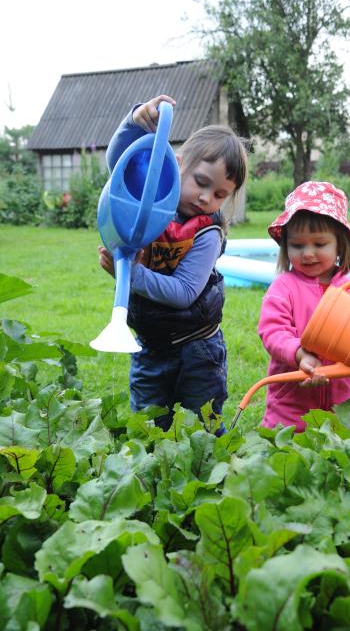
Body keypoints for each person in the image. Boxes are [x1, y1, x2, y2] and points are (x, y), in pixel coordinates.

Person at [98, 94, 248, 435]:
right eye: (201, 182)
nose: (206, 198)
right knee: (149, 425)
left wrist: (130, 275)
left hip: (198, 349)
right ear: (177, 164)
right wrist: (137, 119)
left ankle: (207, 479)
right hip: (151, 344)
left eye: (220, 194)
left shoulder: (207, 232)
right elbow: (121, 163)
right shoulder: (148, 203)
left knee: (201, 428)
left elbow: (183, 292)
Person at [258, 180, 350, 432]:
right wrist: (299, 354)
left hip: (343, 404)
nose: (308, 253)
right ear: (285, 246)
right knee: (286, 460)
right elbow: (273, 332)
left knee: (340, 462)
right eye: (297, 245)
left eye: (319, 244)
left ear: (340, 244)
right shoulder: (283, 288)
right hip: (291, 403)